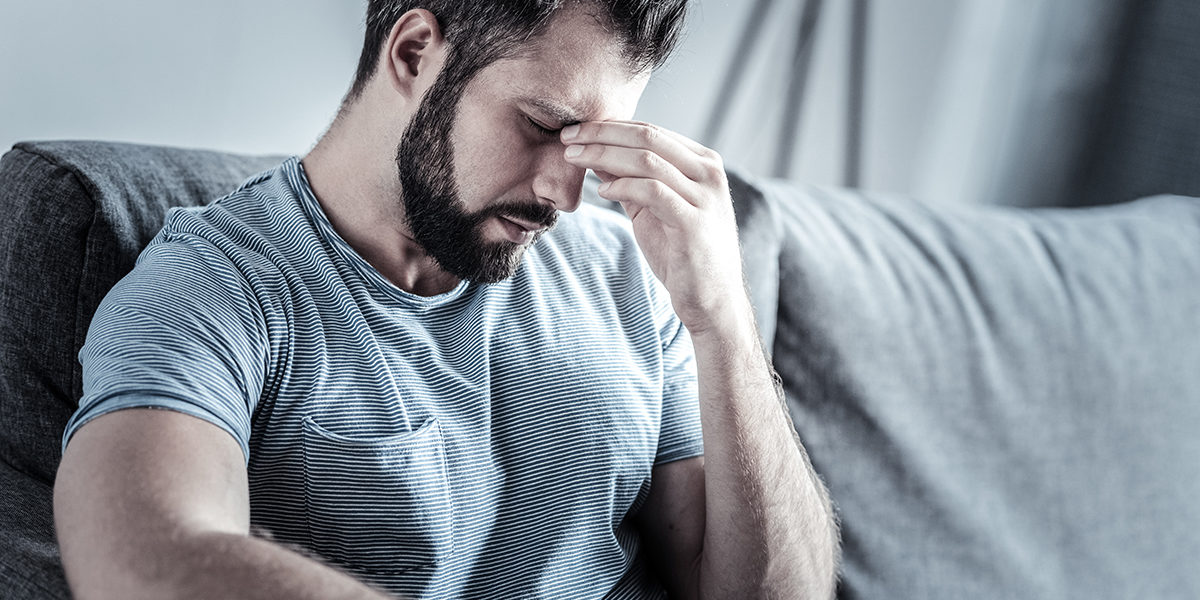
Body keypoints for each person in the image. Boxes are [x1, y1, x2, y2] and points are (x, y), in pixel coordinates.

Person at [53, 1, 839, 598]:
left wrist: (724, 320)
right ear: (414, 51)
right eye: (542, 126)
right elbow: (142, 555)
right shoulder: (219, 286)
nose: (567, 195)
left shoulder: (631, 274)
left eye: (594, 146)